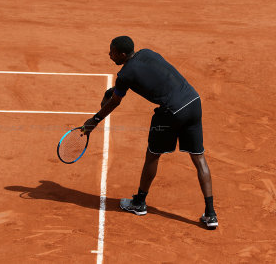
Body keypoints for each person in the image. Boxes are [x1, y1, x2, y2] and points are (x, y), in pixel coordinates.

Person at [82, 36, 218, 229]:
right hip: (193, 102)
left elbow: (114, 101)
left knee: (152, 156)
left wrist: (93, 121)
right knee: (199, 159)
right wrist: (115, 89)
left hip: (171, 112)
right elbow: (154, 76)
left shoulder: (124, 75)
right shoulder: (146, 53)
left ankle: (139, 203)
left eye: (112, 52)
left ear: (121, 54)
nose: (109, 55)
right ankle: (211, 214)